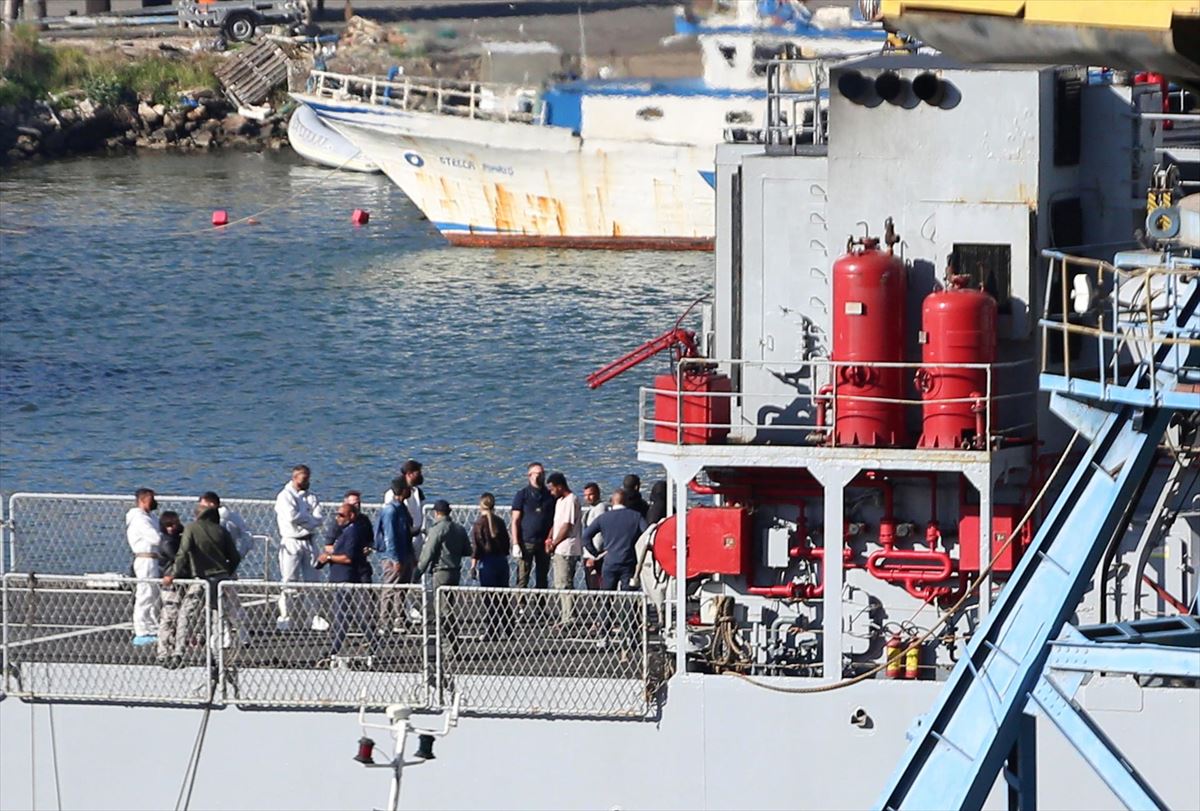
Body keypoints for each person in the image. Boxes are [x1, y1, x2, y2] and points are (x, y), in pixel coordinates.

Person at [165, 492, 242, 667]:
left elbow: (182, 553)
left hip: (201, 579)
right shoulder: (221, 530)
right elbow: (235, 557)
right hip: (220, 578)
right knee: (216, 616)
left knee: (186, 613)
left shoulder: (191, 529)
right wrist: (227, 571)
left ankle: (179, 652)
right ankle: (216, 655)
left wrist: (173, 574)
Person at [319, 502, 377, 658]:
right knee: (346, 613)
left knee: (343, 614)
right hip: (341, 578)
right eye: (337, 514)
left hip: (346, 578)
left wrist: (329, 557)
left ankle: (336, 647)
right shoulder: (346, 531)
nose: (338, 518)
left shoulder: (352, 532)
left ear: (351, 516)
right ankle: (367, 641)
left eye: (341, 515)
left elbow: (348, 558)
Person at [274, 464, 327, 631]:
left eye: (308, 479)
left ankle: (314, 616)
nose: (307, 482)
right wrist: (309, 520)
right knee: (289, 580)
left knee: (313, 580)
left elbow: (319, 518)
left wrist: (307, 521)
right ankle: (285, 616)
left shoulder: (311, 497)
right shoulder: (285, 496)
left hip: (309, 541)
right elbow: (291, 517)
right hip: (291, 541)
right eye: (304, 479)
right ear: (295, 478)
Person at [583, 488, 649, 592]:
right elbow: (647, 534)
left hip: (609, 560)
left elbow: (586, 536)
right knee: (629, 595)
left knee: (607, 593)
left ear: (612, 501)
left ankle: (608, 608)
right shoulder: (636, 516)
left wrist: (595, 553)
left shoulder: (603, 518)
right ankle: (629, 608)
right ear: (626, 501)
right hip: (629, 560)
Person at [376, 478, 415, 632]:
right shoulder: (390, 510)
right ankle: (384, 620)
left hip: (405, 552)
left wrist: (411, 555)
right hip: (393, 555)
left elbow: (407, 532)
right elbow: (389, 536)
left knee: (402, 587)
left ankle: (400, 618)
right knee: (390, 586)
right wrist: (394, 559)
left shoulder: (402, 508)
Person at [471, 493, 510, 639]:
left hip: (487, 563)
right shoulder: (500, 522)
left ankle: (492, 630)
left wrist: (473, 566)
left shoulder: (479, 524)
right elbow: (506, 544)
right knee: (503, 596)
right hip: (501, 561)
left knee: (489, 598)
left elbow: (476, 548)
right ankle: (508, 628)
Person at [125, 487, 161, 646]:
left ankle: (152, 625)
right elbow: (155, 538)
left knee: (154, 594)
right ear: (142, 500)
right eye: (150, 499)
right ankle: (141, 629)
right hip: (145, 558)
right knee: (145, 593)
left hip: (154, 558)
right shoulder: (140, 519)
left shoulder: (150, 517)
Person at [545, 472, 582, 625]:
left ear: (560, 486)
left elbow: (567, 526)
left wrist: (555, 543)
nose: (551, 492)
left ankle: (569, 616)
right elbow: (557, 523)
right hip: (559, 547)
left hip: (567, 548)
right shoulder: (560, 501)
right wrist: (549, 538)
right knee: (559, 582)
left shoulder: (571, 500)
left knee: (565, 582)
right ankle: (564, 614)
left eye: (552, 488)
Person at [511, 462, 555, 589]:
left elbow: (554, 520)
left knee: (542, 578)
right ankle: (521, 606)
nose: (541, 476)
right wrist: (515, 543)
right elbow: (515, 520)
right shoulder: (522, 495)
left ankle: (540, 607)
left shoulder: (549, 496)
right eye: (538, 474)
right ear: (530, 475)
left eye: (543, 473)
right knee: (522, 577)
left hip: (544, 542)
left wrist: (550, 538)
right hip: (526, 542)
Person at [383, 460, 426, 580]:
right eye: (418, 472)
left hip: (416, 538)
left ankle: (413, 597)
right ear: (410, 473)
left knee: (413, 574)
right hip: (401, 540)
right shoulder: (392, 494)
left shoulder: (417, 492)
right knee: (396, 577)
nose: (421, 476)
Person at [415, 500, 471, 590]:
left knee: (440, 601)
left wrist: (417, 574)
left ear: (436, 513)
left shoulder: (436, 529)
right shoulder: (460, 529)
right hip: (456, 571)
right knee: (451, 601)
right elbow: (467, 551)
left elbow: (428, 553)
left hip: (441, 572)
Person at [155, 511, 184, 664]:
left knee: (175, 616)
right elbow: (177, 559)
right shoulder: (168, 542)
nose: (171, 528)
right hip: (169, 582)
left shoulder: (175, 539)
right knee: (169, 616)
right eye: (168, 525)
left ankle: (170, 649)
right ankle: (163, 651)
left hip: (175, 581)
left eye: (173, 525)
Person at [581, 482, 608, 590]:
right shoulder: (591, 509)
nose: (588, 498)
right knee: (590, 584)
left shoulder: (600, 508)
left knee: (595, 585)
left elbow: (599, 534)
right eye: (585, 495)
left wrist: (594, 556)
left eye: (590, 494)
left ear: (598, 493)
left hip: (595, 554)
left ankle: (599, 605)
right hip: (588, 552)